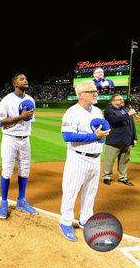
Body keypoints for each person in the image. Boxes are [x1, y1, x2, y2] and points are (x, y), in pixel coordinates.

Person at [59, 80, 110, 241]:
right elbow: (68, 136)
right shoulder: (72, 112)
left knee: (91, 191)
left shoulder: (96, 110)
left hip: (95, 158)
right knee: (71, 191)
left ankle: (85, 220)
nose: (96, 94)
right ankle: (65, 222)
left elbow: (101, 132)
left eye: (96, 91)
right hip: (78, 157)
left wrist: (100, 137)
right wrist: (95, 136)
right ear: (80, 95)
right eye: (92, 91)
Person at [0, 73, 37, 218]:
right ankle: (4, 202)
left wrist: (23, 119)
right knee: (7, 171)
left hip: (25, 139)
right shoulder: (7, 100)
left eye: (26, 78)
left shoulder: (30, 99)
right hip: (10, 139)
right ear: (14, 84)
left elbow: (29, 121)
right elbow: (0, 122)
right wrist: (20, 117)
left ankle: (21, 200)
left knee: (25, 170)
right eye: (21, 79)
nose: (25, 80)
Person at [102, 94, 137, 186]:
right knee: (110, 160)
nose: (122, 100)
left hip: (127, 140)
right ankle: (106, 177)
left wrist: (134, 138)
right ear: (113, 102)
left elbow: (131, 125)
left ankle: (122, 178)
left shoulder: (126, 110)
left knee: (125, 160)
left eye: (122, 99)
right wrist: (128, 114)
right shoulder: (109, 111)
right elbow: (114, 120)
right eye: (119, 99)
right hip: (114, 140)